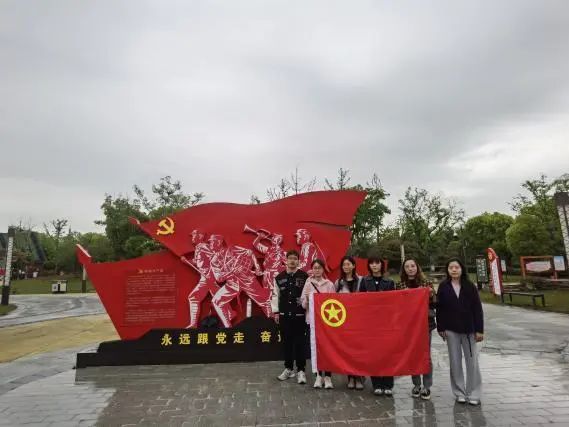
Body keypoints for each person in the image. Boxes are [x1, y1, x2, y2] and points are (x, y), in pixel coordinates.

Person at [436, 258, 484, 406]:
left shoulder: (470, 286)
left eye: (456, 267)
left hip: (469, 329)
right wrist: (440, 327)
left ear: (462, 269)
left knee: (472, 362)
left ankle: (474, 393)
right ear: (447, 270)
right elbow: (440, 308)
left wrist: (479, 329)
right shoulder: (443, 286)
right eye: (451, 267)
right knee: (455, 361)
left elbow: (477, 308)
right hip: (451, 329)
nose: (454, 270)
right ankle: (459, 392)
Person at [399, 258, 436, 400]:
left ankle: (427, 386)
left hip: (425, 324)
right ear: (404, 269)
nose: (410, 268)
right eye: (407, 266)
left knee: (426, 355)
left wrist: (431, 294)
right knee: (413, 354)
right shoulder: (400, 285)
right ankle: (416, 384)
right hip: (408, 325)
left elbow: (435, 302)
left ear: (417, 267)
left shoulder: (426, 283)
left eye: (413, 266)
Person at [359, 256, 396, 396]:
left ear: (381, 265)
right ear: (369, 266)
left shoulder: (389, 282)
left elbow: (394, 302)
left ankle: (388, 384)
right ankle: (377, 384)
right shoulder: (364, 281)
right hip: (370, 323)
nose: (374, 265)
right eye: (372, 263)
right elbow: (359, 300)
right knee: (374, 354)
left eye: (377, 263)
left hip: (386, 323)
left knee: (387, 353)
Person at [271, 250, 309, 385]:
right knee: (286, 343)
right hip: (284, 316)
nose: (292, 261)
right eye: (290, 258)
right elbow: (275, 295)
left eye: (295, 258)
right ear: (286, 261)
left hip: (300, 316)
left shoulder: (305, 276)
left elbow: (308, 295)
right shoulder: (279, 277)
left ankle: (301, 370)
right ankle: (288, 369)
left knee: (300, 344)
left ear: (298, 261)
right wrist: (276, 312)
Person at [300, 259, 336, 389]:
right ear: (312, 269)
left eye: (319, 268)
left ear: (323, 269)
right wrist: (307, 299)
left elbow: (334, 303)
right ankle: (318, 376)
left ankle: (328, 377)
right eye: (315, 268)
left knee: (328, 349)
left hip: (327, 322)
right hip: (313, 321)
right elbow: (303, 304)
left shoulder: (329, 284)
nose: (317, 270)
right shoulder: (308, 283)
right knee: (316, 349)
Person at [335, 255, 364, 391]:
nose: (346, 267)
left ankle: (359, 377)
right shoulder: (338, 283)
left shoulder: (361, 280)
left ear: (353, 265)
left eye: (348, 264)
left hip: (359, 320)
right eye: (344, 265)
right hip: (345, 321)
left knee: (359, 350)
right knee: (347, 350)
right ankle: (350, 377)